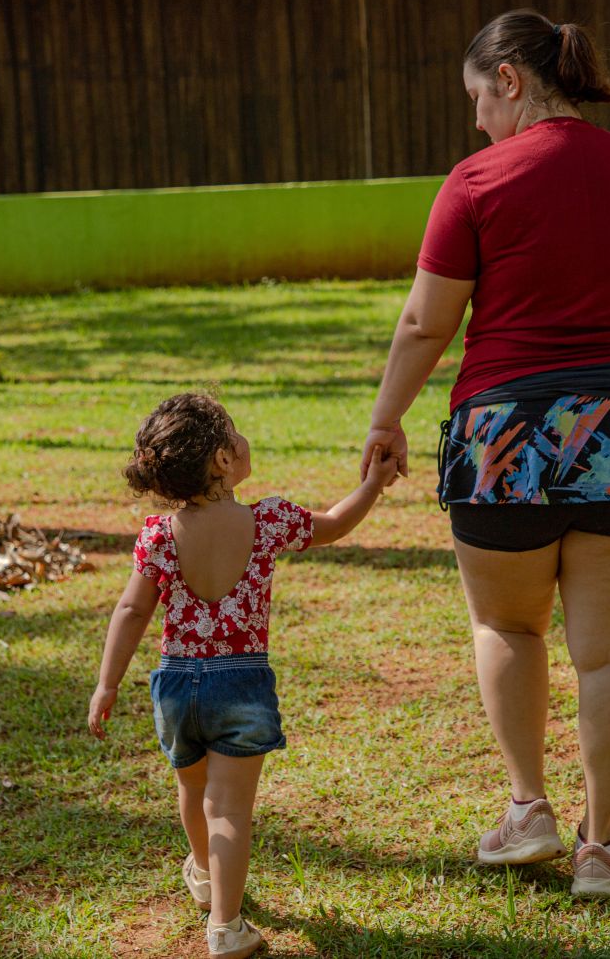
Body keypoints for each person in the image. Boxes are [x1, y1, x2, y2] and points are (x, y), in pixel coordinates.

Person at [361, 10, 610, 897]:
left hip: (505, 443)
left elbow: (427, 321)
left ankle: (529, 806)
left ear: (509, 80)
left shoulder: (473, 183)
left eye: (476, 98)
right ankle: (601, 846)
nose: (475, 122)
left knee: (508, 626)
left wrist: (387, 419)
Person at [89, 392, 397, 958]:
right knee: (228, 809)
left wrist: (107, 683)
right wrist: (373, 485)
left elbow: (132, 610)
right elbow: (334, 524)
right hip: (242, 682)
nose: (243, 439)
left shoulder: (158, 535)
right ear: (222, 461)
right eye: (234, 431)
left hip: (177, 685)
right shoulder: (269, 520)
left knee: (192, 786)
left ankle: (205, 875)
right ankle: (226, 927)